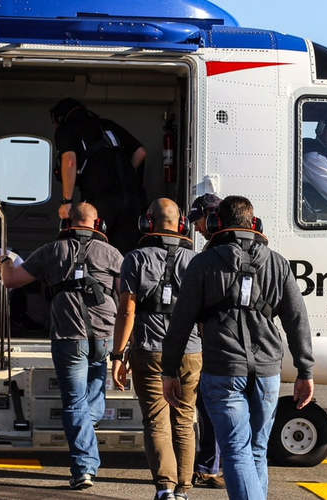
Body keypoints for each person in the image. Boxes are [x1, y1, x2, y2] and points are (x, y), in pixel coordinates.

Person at [161, 196, 315, 500]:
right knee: (256, 449)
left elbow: (180, 323)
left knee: (235, 450)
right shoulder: (277, 263)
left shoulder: (202, 264)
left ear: (218, 223)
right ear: (254, 224)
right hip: (268, 371)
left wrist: (169, 370)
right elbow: (297, 319)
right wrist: (305, 370)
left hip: (223, 369)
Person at [0, 202, 122, 490]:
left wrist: (4, 262)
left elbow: (12, 280)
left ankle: (84, 468)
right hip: (104, 337)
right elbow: (125, 296)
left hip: (69, 338)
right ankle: (87, 440)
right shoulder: (112, 254)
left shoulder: (52, 250)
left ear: (69, 223)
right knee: (93, 396)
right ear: (97, 224)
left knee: (76, 403)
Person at [110, 198, 200, 500]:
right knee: (184, 420)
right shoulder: (196, 260)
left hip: (150, 349)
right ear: (182, 224)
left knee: (156, 420)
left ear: (148, 222)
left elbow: (126, 311)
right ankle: (184, 490)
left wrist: (118, 354)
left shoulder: (135, 258)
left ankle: (165, 488)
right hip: (191, 349)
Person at [50, 98, 148, 253]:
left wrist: (67, 201)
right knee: (125, 253)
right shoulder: (107, 125)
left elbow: (69, 161)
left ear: (60, 118)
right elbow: (140, 152)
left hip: (100, 199)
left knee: (94, 250)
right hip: (132, 199)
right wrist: (125, 174)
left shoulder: (67, 129)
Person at [185, 193, 225, 489]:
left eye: (199, 220)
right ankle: (210, 464)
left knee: (212, 405)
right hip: (222, 341)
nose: (196, 228)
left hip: (217, 342)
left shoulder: (216, 253)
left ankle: (210, 466)